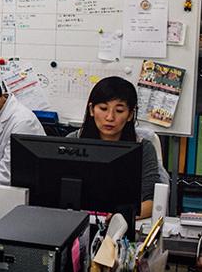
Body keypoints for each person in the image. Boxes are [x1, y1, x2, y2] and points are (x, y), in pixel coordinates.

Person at [68, 76, 161, 218]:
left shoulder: (144, 148)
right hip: (78, 223)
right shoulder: (72, 143)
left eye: (119, 110)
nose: (110, 117)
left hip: (122, 227)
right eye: (103, 108)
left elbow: (152, 202)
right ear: (92, 110)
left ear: (130, 114)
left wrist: (123, 214)